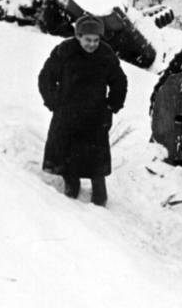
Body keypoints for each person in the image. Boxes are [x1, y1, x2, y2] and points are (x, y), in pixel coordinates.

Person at [38, 14, 128, 207]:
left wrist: (112, 105)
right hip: (68, 114)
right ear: (78, 36)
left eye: (96, 40)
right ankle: (71, 186)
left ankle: (99, 198)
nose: (92, 44)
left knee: (96, 163)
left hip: (95, 116)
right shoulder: (65, 51)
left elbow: (119, 81)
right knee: (67, 156)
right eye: (88, 40)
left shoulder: (105, 54)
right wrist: (54, 102)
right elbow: (46, 77)